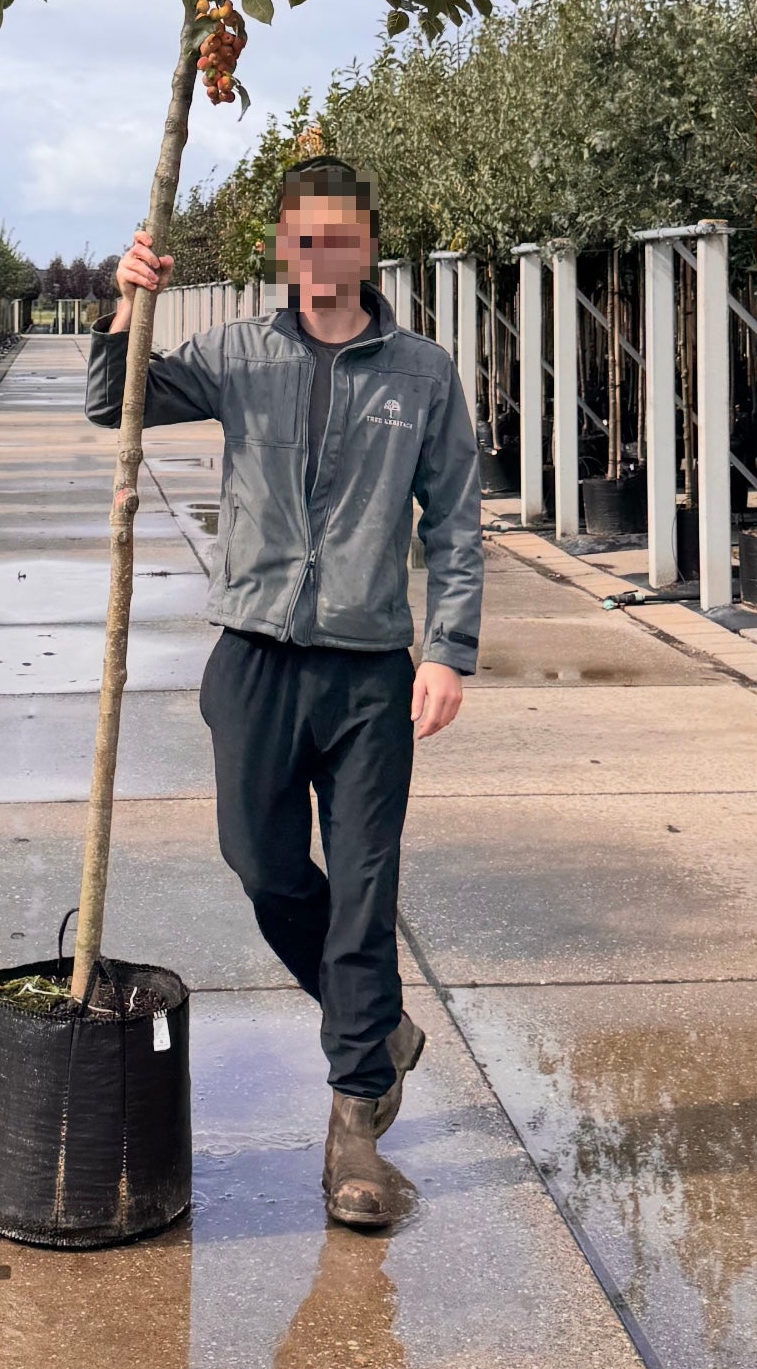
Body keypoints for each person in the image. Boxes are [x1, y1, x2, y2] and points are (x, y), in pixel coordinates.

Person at [86, 156, 483, 1229]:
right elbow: (110, 404)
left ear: (367, 246)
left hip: (368, 674)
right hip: (253, 658)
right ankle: (381, 1029)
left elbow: (452, 519)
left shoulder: (422, 375)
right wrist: (129, 302)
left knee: (363, 891)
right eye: (302, 240)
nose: (320, 259)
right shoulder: (236, 355)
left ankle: (355, 1126)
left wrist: (447, 648)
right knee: (261, 864)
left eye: (339, 238)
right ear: (281, 248)